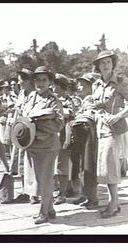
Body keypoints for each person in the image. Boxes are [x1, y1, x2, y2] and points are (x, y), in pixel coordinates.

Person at [91, 50, 128, 218]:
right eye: (102, 63)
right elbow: (96, 105)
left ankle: (113, 204)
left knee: (110, 166)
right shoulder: (96, 85)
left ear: (113, 64)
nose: (105, 65)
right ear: (98, 66)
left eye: (108, 62)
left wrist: (118, 116)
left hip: (114, 130)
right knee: (104, 168)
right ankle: (114, 203)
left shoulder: (120, 82)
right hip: (100, 129)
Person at [21, 66, 64, 224]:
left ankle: (43, 212)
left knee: (45, 179)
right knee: (39, 179)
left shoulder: (53, 100)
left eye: (44, 80)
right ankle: (50, 208)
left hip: (47, 145)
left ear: (50, 82)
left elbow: (59, 124)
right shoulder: (30, 97)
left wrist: (38, 125)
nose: (40, 83)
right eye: (38, 80)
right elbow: (23, 118)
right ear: (33, 82)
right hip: (32, 145)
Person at [9, 68, 39, 204]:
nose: (18, 83)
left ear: (28, 81)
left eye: (21, 80)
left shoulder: (36, 94)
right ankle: (24, 191)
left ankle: (35, 194)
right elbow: (17, 111)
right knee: (21, 162)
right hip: (20, 132)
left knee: (32, 162)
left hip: (31, 132)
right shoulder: (21, 94)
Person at [71, 73, 99, 209]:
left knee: (89, 164)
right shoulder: (84, 100)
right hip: (82, 133)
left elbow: (90, 116)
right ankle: (85, 194)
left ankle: (92, 197)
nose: (79, 87)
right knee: (82, 164)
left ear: (90, 86)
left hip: (88, 132)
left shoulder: (91, 100)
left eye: (82, 84)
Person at [51, 73, 75, 205]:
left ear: (60, 86)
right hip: (54, 134)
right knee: (56, 163)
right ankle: (62, 188)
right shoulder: (53, 99)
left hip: (64, 135)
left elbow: (71, 113)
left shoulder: (68, 100)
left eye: (54, 85)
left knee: (62, 164)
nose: (52, 87)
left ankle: (62, 193)